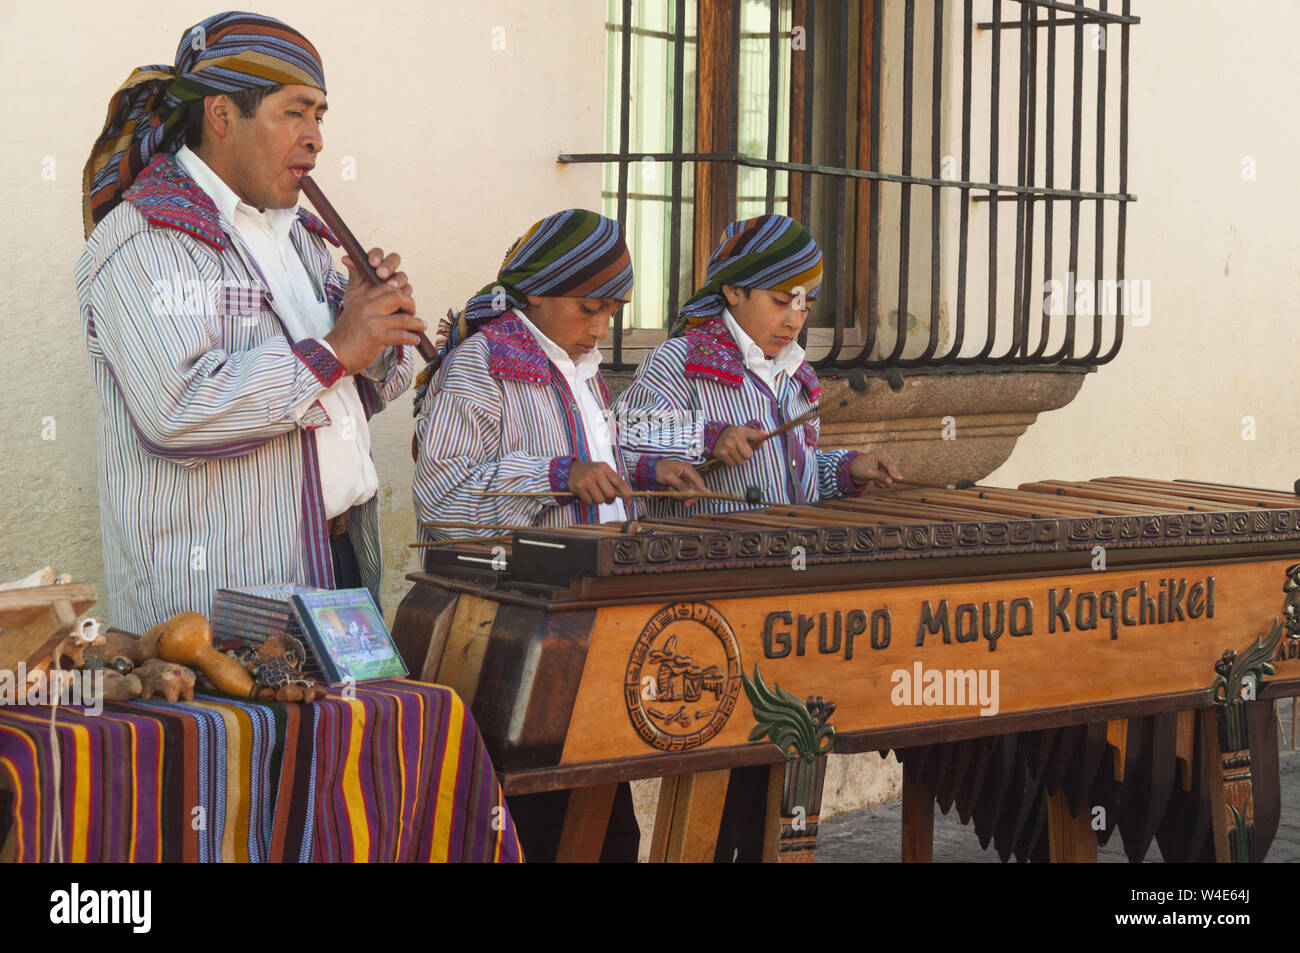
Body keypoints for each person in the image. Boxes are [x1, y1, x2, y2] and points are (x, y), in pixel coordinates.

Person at [75, 11, 422, 633]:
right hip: (223, 592)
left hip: (335, 556)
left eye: (320, 114)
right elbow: (176, 411)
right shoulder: (153, 240)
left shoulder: (301, 238)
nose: (316, 137)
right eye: (295, 111)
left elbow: (361, 390)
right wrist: (336, 348)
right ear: (222, 114)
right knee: (252, 735)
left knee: (349, 731)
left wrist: (381, 327)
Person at [412, 209, 707, 545]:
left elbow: (589, 455)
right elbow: (441, 500)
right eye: (588, 308)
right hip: (520, 589)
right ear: (538, 289)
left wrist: (648, 470)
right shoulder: (480, 364)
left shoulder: (583, 367)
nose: (600, 330)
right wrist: (555, 478)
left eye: (612, 311)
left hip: (600, 581)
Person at [614, 214, 901, 516]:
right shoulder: (679, 360)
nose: (794, 322)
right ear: (734, 290)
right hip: (708, 556)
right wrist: (709, 437)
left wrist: (850, 469)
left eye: (805, 307)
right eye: (780, 302)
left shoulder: (797, 376)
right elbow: (621, 438)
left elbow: (793, 472)